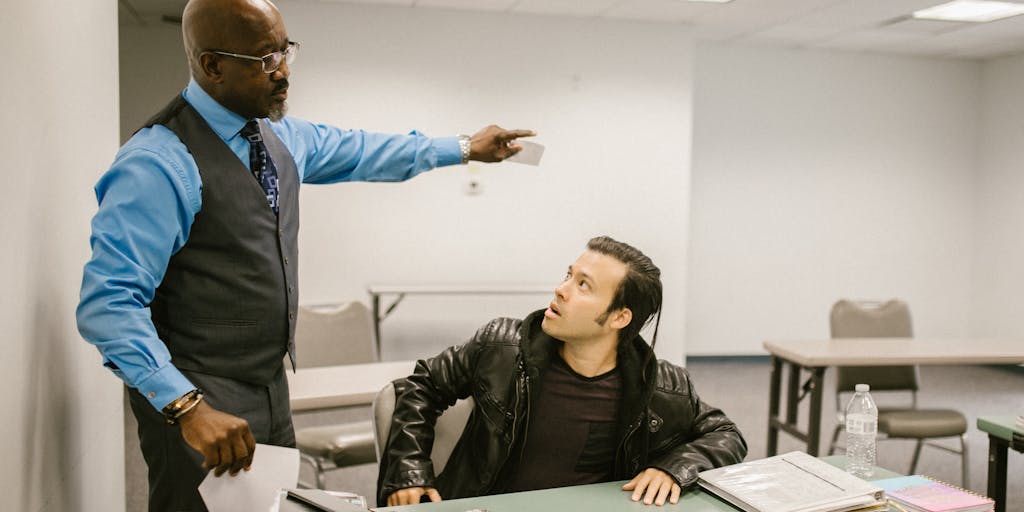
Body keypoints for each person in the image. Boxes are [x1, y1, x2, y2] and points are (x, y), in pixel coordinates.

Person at [75, 0, 533, 509]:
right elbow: (109, 304)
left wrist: (466, 147)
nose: (283, 72)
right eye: (265, 58)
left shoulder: (280, 138)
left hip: (270, 389)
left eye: (284, 50)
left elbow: (366, 150)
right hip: (197, 397)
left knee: (275, 505)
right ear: (212, 65)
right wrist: (186, 407)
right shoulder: (158, 162)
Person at [378, 236, 747, 507]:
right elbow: (420, 386)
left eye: (582, 285)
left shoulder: (664, 387)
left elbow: (725, 434)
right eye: (568, 275)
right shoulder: (501, 347)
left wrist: (674, 468)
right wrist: (408, 470)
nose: (560, 290)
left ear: (619, 317)